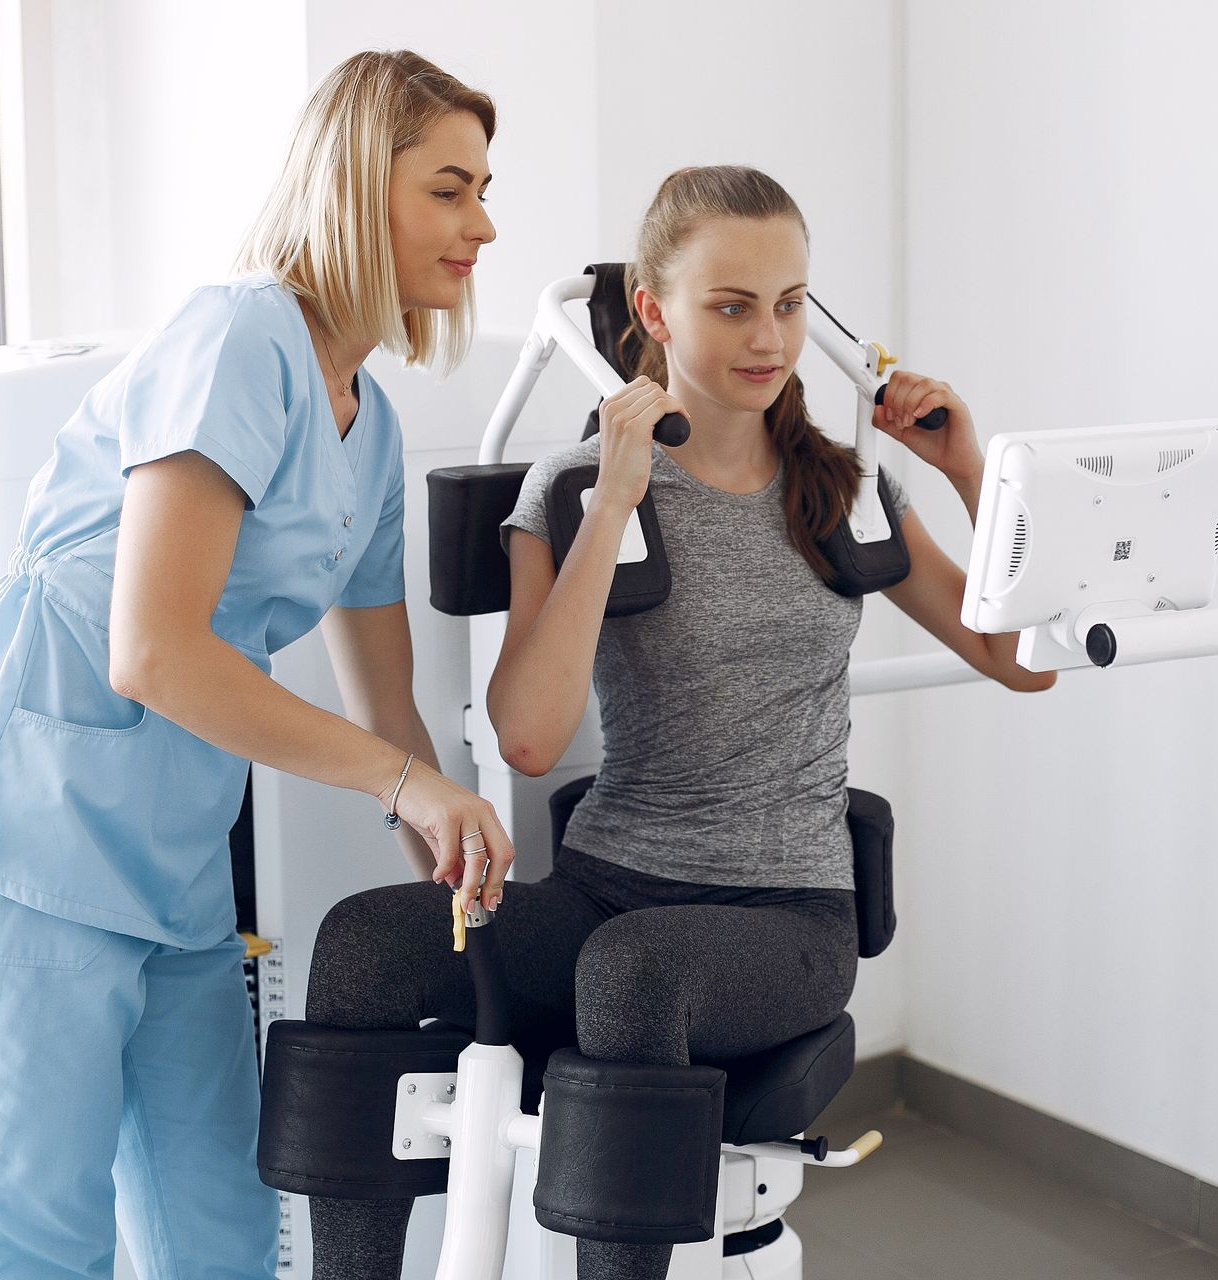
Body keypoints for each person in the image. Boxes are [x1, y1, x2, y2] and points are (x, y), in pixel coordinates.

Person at [304, 164, 1055, 1280]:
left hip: (787, 914)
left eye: (791, 304)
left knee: (633, 974)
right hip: (611, 885)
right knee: (365, 942)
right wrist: (614, 498)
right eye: (733, 305)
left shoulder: (844, 488)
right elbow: (526, 737)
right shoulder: (568, 489)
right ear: (654, 314)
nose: (771, 338)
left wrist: (965, 470)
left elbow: (1014, 658)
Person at [0, 50, 515, 1280]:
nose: (482, 223)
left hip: (171, 887)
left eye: (484, 188)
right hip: (20, 849)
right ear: (349, 184)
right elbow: (154, 651)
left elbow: (392, 706)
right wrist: (399, 784)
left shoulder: (366, 420)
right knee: (41, 1250)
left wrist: (453, 863)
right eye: (448, 188)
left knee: (218, 1236)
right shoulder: (239, 335)